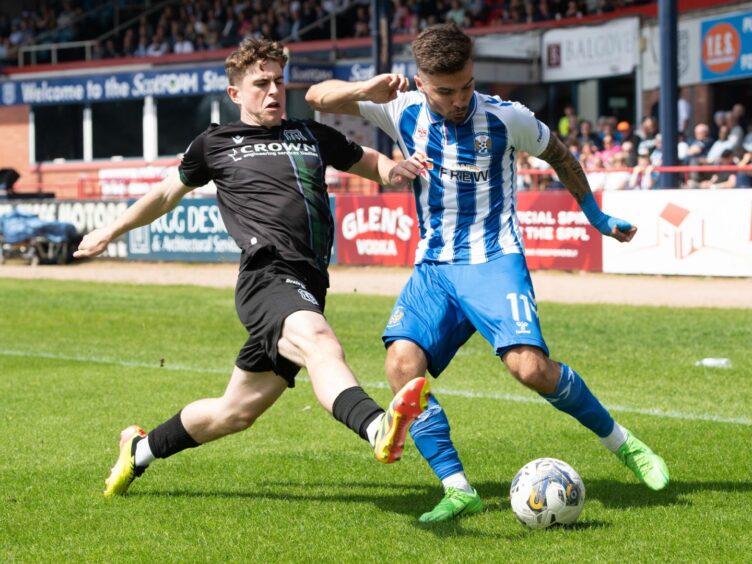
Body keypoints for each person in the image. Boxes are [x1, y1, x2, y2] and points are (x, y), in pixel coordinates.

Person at [306, 22, 669, 523]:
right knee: (400, 366)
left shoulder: (506, 117)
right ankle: (457, 488)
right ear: (421, 80)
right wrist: (364, 90)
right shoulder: (400, 108)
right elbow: (316, 95)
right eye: (446, 91)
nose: (460, 100)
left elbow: (559, 155)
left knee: (530, 369)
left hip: (495, 260)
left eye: (467, 86)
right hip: (435, 268)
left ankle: (625, 445)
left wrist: (597, 216)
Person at [74, 38, 431, 498]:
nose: (273, 91)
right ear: (235, 93)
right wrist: (109, 231)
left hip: (309, 282)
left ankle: (138, 451)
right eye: (261, 83)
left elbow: (374, 164)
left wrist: (397, 169)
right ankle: (377, 426)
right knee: (321, 342)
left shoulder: (310, 133)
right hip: (266, 275)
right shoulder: (214, 143)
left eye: (279, 81)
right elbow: (164, 194)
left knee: (234, 412)